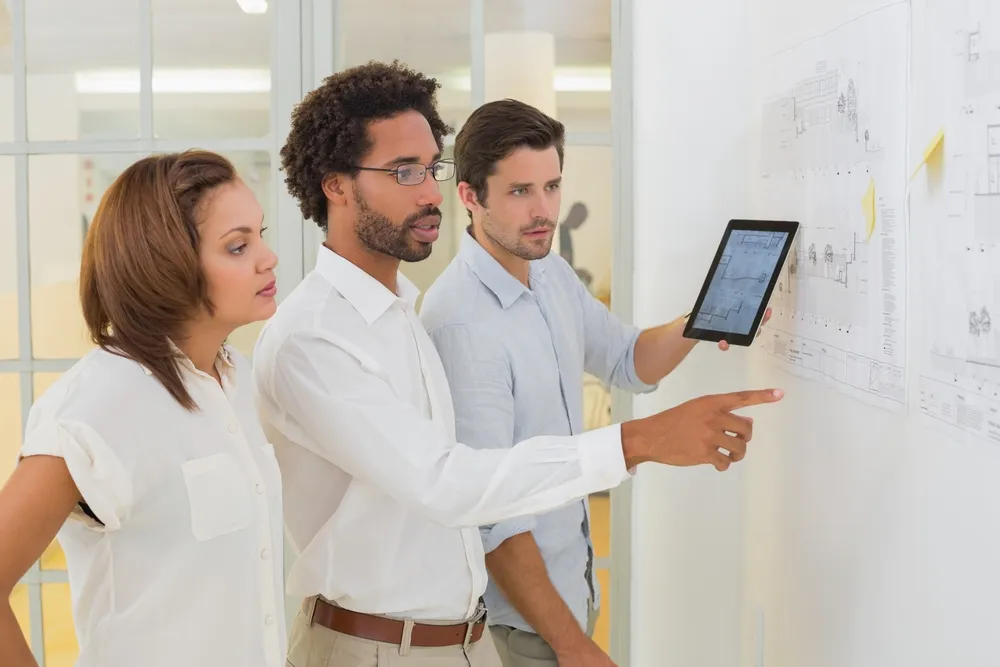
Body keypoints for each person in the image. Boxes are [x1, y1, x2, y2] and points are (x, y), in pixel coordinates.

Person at [253, 59, 783, 667]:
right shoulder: (330, 337)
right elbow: (455, 487)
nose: (427, 192)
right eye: (404, 172)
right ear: (336, 185)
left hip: (457, 634)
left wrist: (707, 315)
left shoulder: (405, 310)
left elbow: (626, 360)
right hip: (385, 645)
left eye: (430, 168)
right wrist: (639, 441)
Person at [419, 98, 773, 667]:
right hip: (520, 629)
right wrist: (575, 647)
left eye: (552, 186)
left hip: (570, 593)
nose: (544, 211)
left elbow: (629, 360)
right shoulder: (461, 323)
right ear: (470, 196)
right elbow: (493, 517)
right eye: (519, 192)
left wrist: (706, 316)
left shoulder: (549, 272)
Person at [0, 151, 285, 667]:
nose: (269, 258)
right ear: (165, 263)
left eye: (260, 234)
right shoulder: (97, 407)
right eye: (238, 246)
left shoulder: (237, 378)